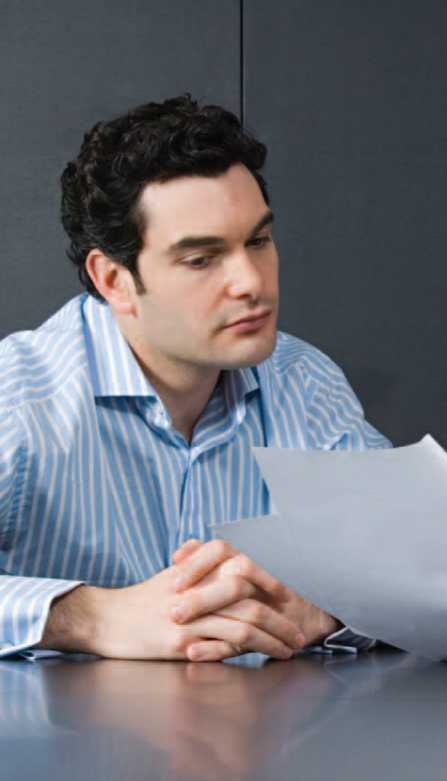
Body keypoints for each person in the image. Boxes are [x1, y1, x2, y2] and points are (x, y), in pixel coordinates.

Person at [0, 95, 388, 662]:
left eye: (258, 241)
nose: (250, 282)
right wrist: (88, 618)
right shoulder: (18, 394)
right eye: (202, 259)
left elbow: (414, 569)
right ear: (113, 279)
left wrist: (325, 611)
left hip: (270, 741)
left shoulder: (304, 381)